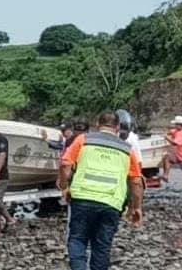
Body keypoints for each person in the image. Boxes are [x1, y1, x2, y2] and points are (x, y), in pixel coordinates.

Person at [58, 112, 144, 270]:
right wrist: (136, 207)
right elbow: (136, 182)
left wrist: (64, 187)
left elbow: (65, 165)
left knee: (77, 239)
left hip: (82, 198)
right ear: (118, 127)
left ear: (98, 124)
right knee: (102, 247)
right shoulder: (127, 149)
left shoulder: (83, 140)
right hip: (111, 202)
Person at [159, 115, 182, 199]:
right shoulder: (177, 130)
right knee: (167, 157)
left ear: (180, 125)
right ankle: (165, 175)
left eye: (176, 124)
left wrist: (166, 138)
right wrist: (167, 133)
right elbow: (171, 131)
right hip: (179, 155)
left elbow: (175, 143)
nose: (174, 126)